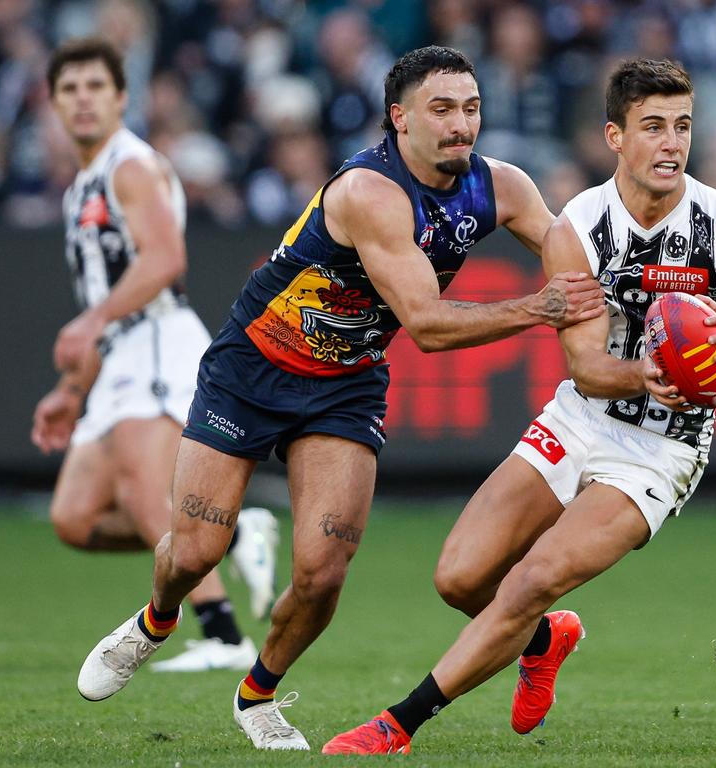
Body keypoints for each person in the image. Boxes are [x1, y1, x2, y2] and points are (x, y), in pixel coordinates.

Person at [76, 45, 606, 751]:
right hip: (252, 366)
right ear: (400, 119)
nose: (461, 125)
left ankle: (257, 696)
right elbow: (426, 324)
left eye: (471, 109)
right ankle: (157, 620)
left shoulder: (502, 186)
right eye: (441, 109)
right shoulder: (368, 193)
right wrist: (540, 309)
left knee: (323, 573)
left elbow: (580, 257)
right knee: (196, 552)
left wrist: (650, 298)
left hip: (345, 385)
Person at [323, 57, 716, 754]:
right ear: (615, 136)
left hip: (664, 447)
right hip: (583, 415)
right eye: (653, 127)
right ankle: (545, 641)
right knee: (460, 576)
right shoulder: (577, 227)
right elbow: (588, 369)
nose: (671, 143)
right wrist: (647, 373)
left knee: (533, 577)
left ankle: (398, 725)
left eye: (683, 127)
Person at [31, 37, 278, 674]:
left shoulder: (128, 166)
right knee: (74, 519)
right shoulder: (81, 184)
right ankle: (232, 533)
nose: (82, 99)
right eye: (69, 89)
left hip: (157, 339)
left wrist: (92, 321)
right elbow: (102, 295)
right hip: (119, 351)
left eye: (95, 87)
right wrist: (71, 389)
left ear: (120, 97)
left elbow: (165, 262)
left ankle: (223, 635)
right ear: (53, 103)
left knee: (147, 490)